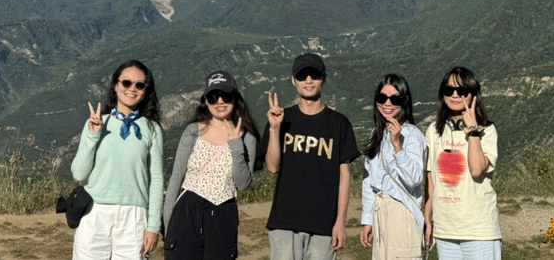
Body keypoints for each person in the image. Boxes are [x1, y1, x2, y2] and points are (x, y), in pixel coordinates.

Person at [259, 52, 361, 260]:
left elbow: (344, 176)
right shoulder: (282, 118)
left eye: (314, 75)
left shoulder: (339, 124)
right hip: (285, 221)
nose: (308, 80)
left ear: (324, 78)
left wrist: (340, 221)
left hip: (324, 223)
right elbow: (272, 166)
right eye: (302, 75)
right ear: (293, 81)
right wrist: (275, 129)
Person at [71, 59, 164, 260]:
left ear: (146, 90)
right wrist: (93, 135)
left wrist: (153, 226)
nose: (132, 89)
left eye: (140, 85)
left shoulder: (152, 129)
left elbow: (156, 180)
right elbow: (79, 173)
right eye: (126, 83)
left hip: (135, 218)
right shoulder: (97, 122)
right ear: (115, 86)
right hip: (95, 213)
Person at [162, 70, 260, 259]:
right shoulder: (193, 131)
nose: (220, 101)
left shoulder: (247, 139)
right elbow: (176, 179)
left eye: (226, 95)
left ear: (235, 98)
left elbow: (243, 184)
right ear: (205, 100)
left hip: (223, 215)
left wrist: (236, 145)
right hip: (186, 213)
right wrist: (168, 227)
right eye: (214, 96)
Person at [424, 66, 502, 259]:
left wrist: (474, 131)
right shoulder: (434, 131)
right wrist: (428, 219)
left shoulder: (487, 131)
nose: (455, 95)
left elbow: (477, 170)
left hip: (479, 229)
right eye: (449, 90)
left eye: (462, 91)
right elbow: (431, 179)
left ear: (473, 94)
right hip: (445, 229)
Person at [360, 74, 427, 259]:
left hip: (401, 210)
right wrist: (368, 220)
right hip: (380, 209)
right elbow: (369, 182)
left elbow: (414, 179)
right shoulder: (377, 134)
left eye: (395, 99)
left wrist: (398, 145)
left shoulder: (412, 135)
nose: (387, 104)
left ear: (405, 101)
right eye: (382, 98)